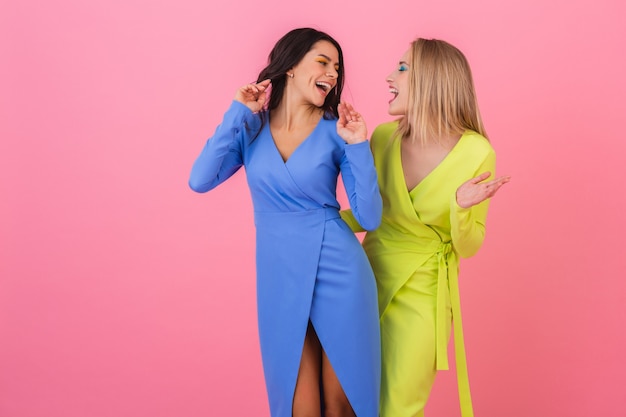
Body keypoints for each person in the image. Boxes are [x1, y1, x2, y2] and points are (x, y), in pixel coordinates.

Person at [189, 28, 382, 417]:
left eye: (337, 67)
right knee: (298, 404)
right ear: (291, 66)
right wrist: (237, 112)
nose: (332, 73)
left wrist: (359, 144)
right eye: (322, 62)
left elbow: (369, 217)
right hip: (279, 273)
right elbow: (200, 179)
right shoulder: (251, 128)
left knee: (342, 401)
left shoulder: (337, 131)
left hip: (339, 269)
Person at [341, 38, 510, 417]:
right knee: (350, 400)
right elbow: (368, 213)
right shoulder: (383, 138)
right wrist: (314, 219)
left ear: (433, 79)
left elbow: (468, 246)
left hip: (424, 294)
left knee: (400, 406)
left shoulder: (476, 151)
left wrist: (460, 209)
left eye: (402, 68)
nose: (389, 76)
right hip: (365, 280)